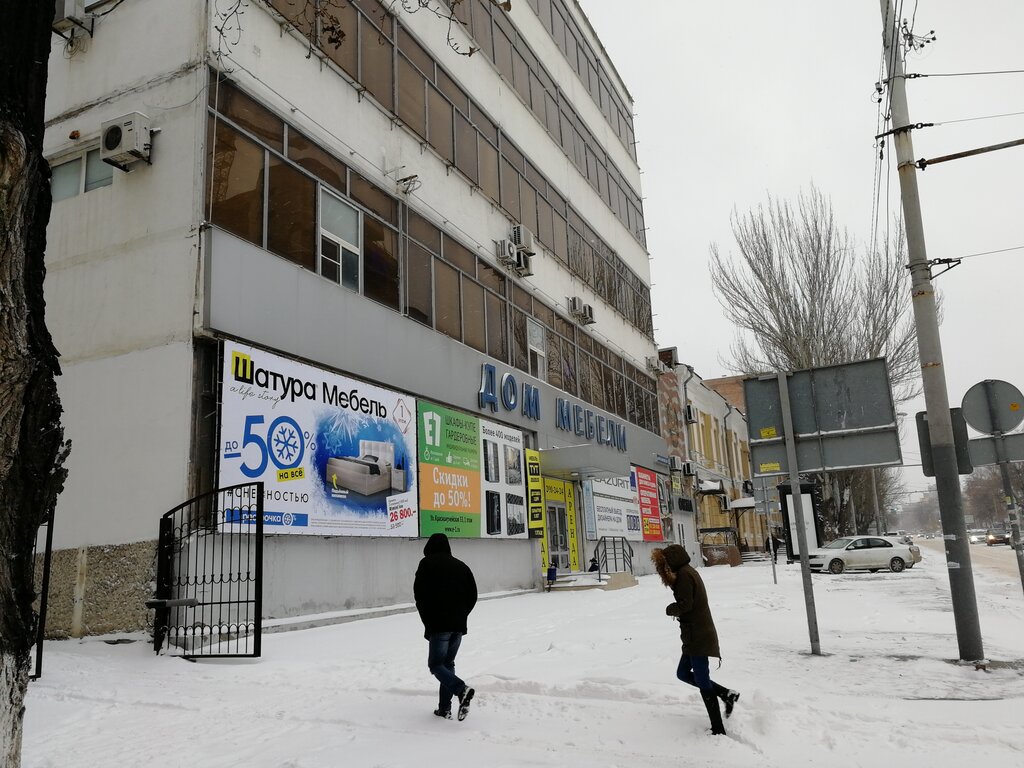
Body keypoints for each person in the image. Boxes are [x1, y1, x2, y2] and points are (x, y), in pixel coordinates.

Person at [651, 544, 740, 736]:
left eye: (666, 564)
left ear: (672, 561)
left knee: (701, 679)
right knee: (683, 673)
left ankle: (718, 728)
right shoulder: (687, 571)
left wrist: (670, 609)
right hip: (694, 635)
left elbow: (686, 605)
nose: (665, 568)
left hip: (698, 635)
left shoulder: (684, 575)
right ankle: (726, 694)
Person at [413, 533, 478, 721]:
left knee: (435, 665)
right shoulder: (461, 566)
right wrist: (461, 615)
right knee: (447, 665)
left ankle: (461, 689)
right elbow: (473, 595)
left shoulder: (426, 564)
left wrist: (428, 620)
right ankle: (444, 709)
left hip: (438, 624)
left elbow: (420, 595)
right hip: (458, 626)